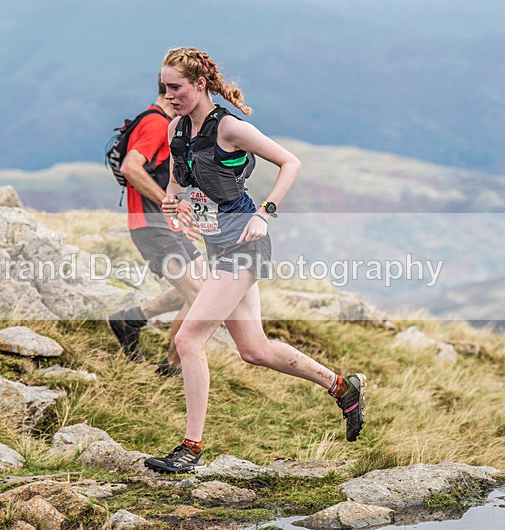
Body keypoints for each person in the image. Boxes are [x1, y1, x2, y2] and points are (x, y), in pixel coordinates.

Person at [143, 47, 367, 474]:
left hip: (245, 245)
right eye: (163, 88)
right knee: (255, 350)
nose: (168, 95)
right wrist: (174, 202)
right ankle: (342, 387)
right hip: (217, 246)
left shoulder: (229, 127)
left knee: (188, 340)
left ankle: (191, 448)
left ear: (199, 85)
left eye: (176, 88)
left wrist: (265, 213)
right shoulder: (176, 129)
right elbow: (176, 182)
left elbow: (290, 162)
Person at [108, 78, 204, 377]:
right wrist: (168, 202)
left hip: (164, 225)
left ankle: (130, 319)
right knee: (199, 294)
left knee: (200, 286)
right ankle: (172, 367)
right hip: (151, 226)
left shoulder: (160, 121)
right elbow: (130, 167)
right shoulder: (155, 124)